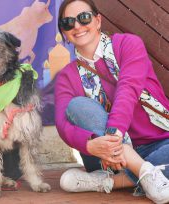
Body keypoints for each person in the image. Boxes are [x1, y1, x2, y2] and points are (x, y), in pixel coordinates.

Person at [55, 0, 169, 203]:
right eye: (68, 23)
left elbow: (128, 88)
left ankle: (112, 182)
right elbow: (63, 124)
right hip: (104, 157)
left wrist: (114, 133)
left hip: (160, 142)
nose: (77, 26)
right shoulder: (67, 76)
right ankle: (144, 173)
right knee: (78, 106)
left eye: (84, 18)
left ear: (98, 20)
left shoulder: (128, 44)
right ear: (64, 32)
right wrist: (91, 146)